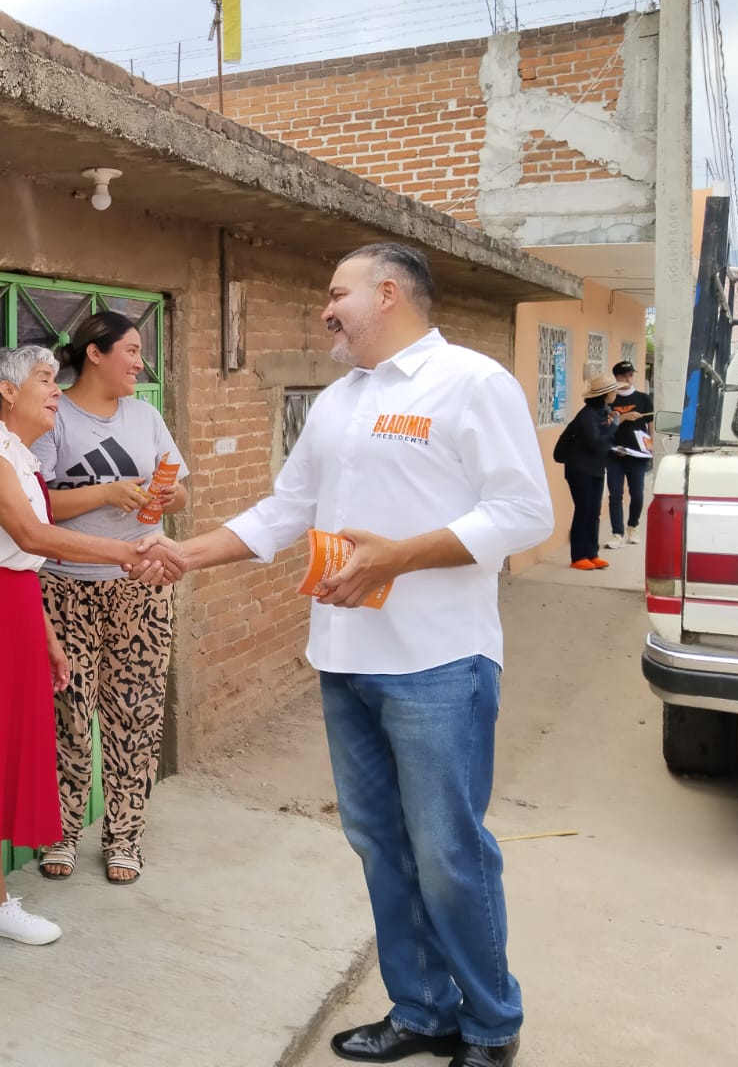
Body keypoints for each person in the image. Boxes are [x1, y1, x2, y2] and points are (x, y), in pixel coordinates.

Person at [163, 244, 552, 1067]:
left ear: (386, 294)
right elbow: (287, 507)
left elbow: (523, 514)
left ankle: (490, 1024)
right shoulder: (342, 399)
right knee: (379, 842)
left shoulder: (472, 383)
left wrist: (398, 556)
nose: (325, 308)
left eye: (335, 292)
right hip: (345, 658)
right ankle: (421, 1010)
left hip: (439, 663)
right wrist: (184, 554)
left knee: (449, 851)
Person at [0, 345, 185, 984]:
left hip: (16, 611)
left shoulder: (21, 458)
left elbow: (24, 562)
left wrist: (48, 638)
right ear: (6, 393)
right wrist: (126, 551)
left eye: (55, 379)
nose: (57, 390)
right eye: (45, 381)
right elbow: (31, 536)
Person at [31, 311, 189, 885]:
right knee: (68, 714)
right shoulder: (55, 417)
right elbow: (36, 503)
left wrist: (162, 499)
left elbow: (178, 487)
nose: (139, 363)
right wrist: (106, 492)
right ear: (94, 354)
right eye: (130, 350)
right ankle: (62, 832)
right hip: (65, 586)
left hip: (140, 586)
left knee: (137, 712)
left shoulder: (146, 416)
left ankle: (124, 837)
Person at [557, 374, 621, 571]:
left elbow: (604, 442)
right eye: (613, 390)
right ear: (605, 394)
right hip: (580, 469)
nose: (616, 393)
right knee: (583, 510)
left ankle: (592, 553)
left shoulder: (604, 411)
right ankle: (578, 556)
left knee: (594, 511)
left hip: (596, 468)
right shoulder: (587, 416)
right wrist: (614, 427)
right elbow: (595, 443)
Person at [604, 359, 653, 549]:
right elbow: (603, 424)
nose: (628, 379)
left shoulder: (643, 399)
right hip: (614, 452)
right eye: (623, 375)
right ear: (615, 377)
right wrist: (623, 417)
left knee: (637, 493)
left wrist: (651, 446)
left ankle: (633, 526)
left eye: (631, 375)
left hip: (637, 454)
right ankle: (617, 534)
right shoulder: (609, 399)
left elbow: (650, 426)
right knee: (615, 494)